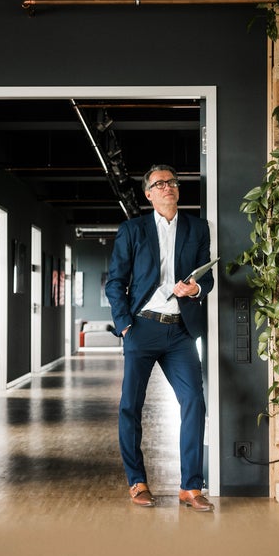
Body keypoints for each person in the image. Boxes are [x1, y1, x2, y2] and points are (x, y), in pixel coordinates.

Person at [105, 164, 215, 512]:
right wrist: (125, 326)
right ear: (148, 193)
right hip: (142, 327)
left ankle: (191, 487)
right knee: (130, 407)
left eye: (172, 182)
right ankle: (137, 482)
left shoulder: (198, 228)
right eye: (159, 184)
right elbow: (114, 282)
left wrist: (195, 287)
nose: (167, 187)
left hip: (181, 331)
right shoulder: (132, 230)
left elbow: (207, 279)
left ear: (177, 190)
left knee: (195, 402)